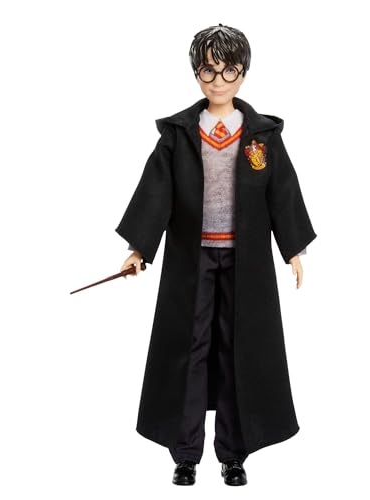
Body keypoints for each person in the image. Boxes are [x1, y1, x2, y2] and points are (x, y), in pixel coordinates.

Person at [116, 24, 317, 486]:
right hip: (192, 258)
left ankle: (233, 453)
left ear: (243, 73)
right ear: (196, 73)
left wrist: (293, 249)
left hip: (246, 261)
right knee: (188, 348)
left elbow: (282, 192)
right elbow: (157, 191)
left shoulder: (261, 134)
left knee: (237, 350)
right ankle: (185, 453)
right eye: (209, 70)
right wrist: (138, 247)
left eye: (229, 70)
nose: (219, 80)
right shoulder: (180, 133)